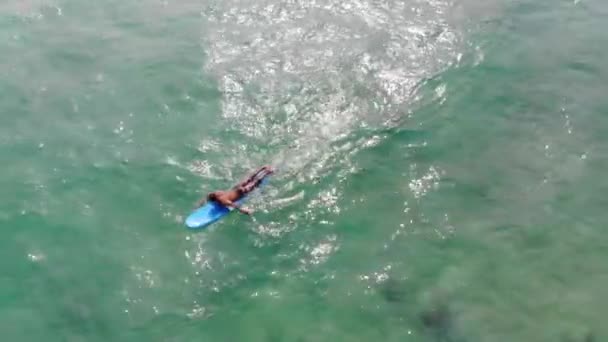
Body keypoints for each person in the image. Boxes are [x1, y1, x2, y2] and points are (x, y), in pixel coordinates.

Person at [195, 166, 274, 215]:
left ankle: (267, 172)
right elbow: (208, 196)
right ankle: (263, 168)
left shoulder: (223, 201)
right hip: (237, 187)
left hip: (242, 191)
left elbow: (235, 205)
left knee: (256, 182)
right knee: (250, 179)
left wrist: (245, 210)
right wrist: (200, 204)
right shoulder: (217, 193)